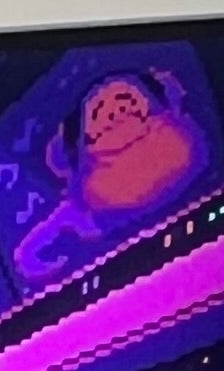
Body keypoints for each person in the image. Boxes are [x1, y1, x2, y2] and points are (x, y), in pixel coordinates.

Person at [12, 70, 210, 282]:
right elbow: (31, 252)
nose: (116, 115)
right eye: (102, 115)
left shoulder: (170, 131)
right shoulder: (85, 211)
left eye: (125, 105)